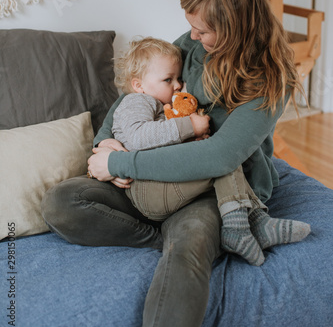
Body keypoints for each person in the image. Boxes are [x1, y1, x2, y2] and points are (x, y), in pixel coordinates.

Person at [42, 0, 311, 327]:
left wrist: (124, 162)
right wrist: (106, 143)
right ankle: (161, 234)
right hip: (154, 174)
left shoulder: (269, 79)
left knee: (187, 253)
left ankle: (186, 235)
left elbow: (220, 157)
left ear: (235, 28)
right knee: (62, 202)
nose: (193, 36)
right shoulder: (193, 44)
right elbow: (139, 91)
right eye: (192, 27)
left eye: (203, 30)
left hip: (213, 189)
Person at [97, 35, 271, 266]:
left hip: (159, 182)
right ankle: (250, 223)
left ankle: (251, 221)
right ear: (138, 85)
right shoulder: (138, 102)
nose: (178, 85)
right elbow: (138, 138)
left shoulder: (158, 104)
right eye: (168, 79)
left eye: (178, 78)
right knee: (223, 160)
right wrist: (189, 126)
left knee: (222, 156)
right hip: (147, 189)